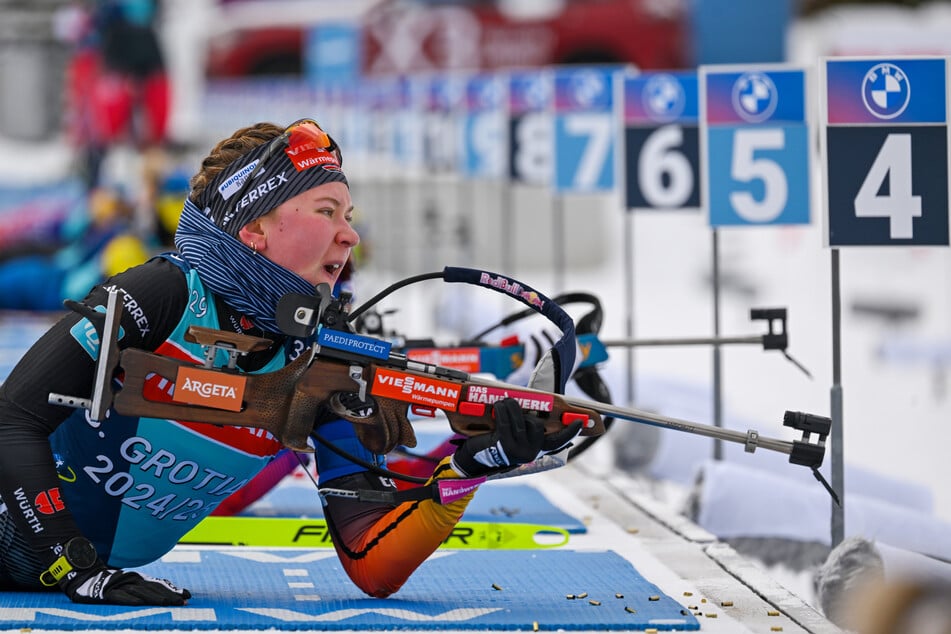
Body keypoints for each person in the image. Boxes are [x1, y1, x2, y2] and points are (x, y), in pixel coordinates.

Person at [0, 119, 581, 605]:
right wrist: (71, 567)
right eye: (327, 210)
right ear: (254, 227)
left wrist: (469, 470)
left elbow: (372, 562)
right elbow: (11, 421)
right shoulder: (163, 293)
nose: (350, 235)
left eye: (348, 214)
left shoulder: (325, 349)